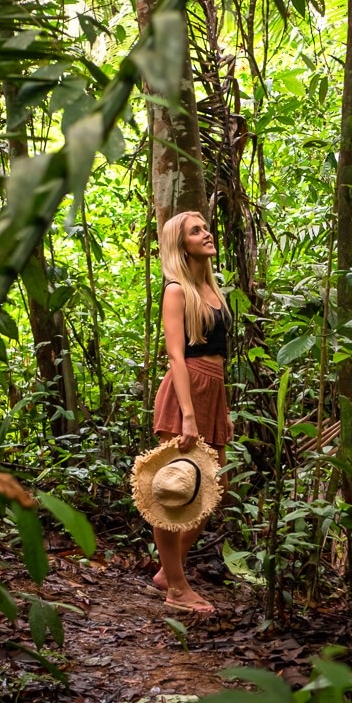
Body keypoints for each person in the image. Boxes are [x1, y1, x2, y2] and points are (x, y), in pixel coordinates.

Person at [150, 210, 233, 614]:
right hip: (187, 390)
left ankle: (170, 569)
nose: (206, 233)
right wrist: (188, 415)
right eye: (195, 231)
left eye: (205, 227)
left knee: (215, 489)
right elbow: (176, 356)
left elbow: (218, 356)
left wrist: (222, 410)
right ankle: (176, 588)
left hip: (213, 391)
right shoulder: (176, 291)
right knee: (174, 492)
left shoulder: (213, 290)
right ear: (180, 244)